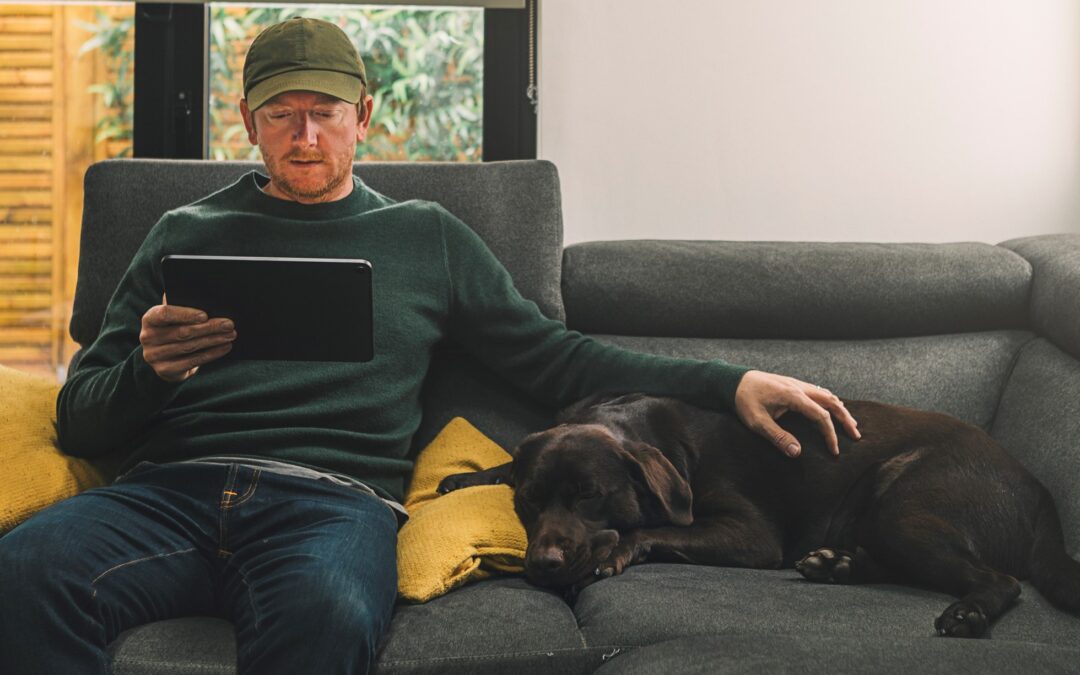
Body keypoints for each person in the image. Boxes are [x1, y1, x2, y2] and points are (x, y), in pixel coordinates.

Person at [0, 17, 859, 675]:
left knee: (328, 609)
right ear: (247, 122)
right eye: (283, 115)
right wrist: (148, 372)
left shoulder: (426, 237)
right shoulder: (181, 230)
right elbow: (80, 420)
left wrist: (730, 377)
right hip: (170, 493)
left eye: (326, 115)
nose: (306, 137)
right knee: (23, 566)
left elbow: (563, 361)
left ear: (363, 117)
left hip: (330, 503)